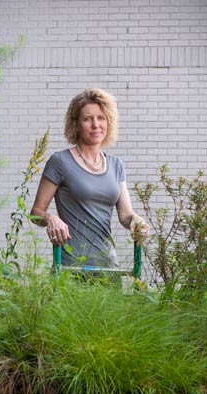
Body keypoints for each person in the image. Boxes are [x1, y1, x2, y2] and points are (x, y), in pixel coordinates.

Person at [30, 88, 149, 268]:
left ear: (109, 122)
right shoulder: (60, 161)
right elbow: (36, 213)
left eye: (101, 118)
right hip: (71, 266)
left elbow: (125, 215)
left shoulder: (116, 165)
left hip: (108, 265)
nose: (95, 125)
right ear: (75, 124)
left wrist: (136, 220)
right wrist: (50, 218)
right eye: (87, 119)